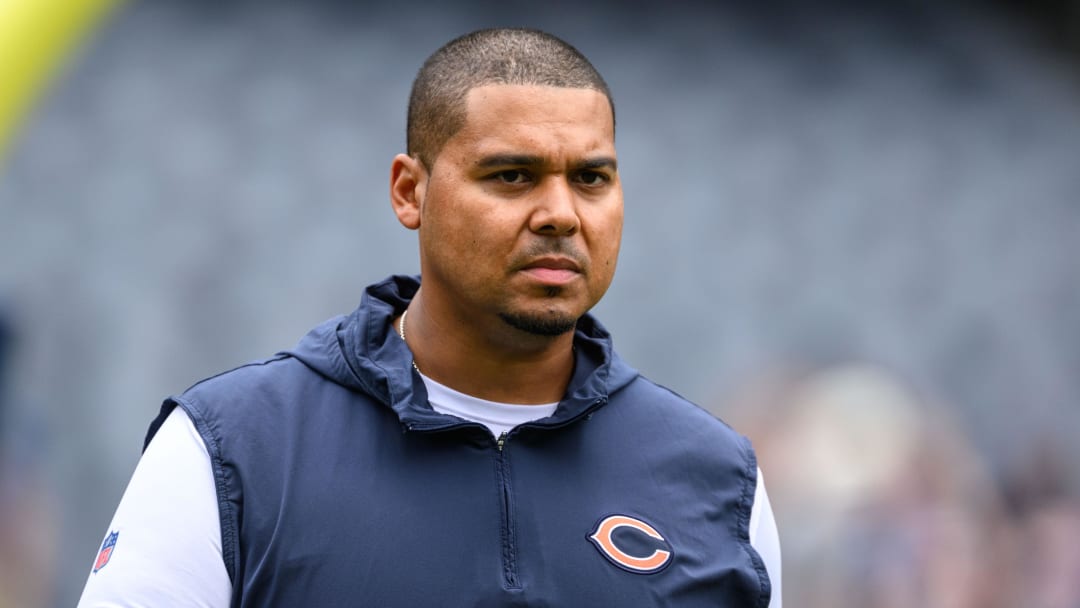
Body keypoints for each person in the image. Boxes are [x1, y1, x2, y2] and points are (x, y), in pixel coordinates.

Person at [78, 28, 781, 607]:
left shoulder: (717, 479)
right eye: (512, 175)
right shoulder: (233, 451)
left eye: (591, 178)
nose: (561, 214)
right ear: (410, 191)